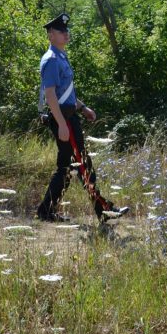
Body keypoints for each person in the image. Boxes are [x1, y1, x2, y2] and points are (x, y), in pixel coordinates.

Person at [36, 13, 129, 223]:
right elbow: (50, 95)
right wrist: (61, 124)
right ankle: (104, 210)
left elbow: (65, 93)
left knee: (69, 167)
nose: (66, 33)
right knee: (82, 165)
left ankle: (46, 211)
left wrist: (83, 107)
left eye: (66, 30)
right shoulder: (51, 60)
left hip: (70, 116)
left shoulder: (61, 56)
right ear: (51, 35)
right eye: (61, 31)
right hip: (63, 119)